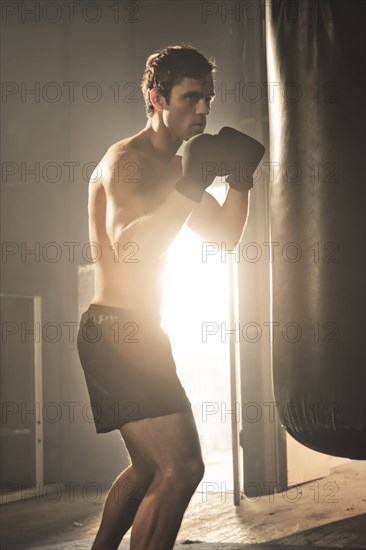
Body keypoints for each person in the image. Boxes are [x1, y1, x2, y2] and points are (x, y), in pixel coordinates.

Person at [77, 44, 265, 550]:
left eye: (208, 98)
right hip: (114, 331)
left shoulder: (177, 170)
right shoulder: (128, 162)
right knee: (181, 468)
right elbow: (131, 247)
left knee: (146, 470)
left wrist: (240, 182)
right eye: (191, 98)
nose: (204, 109)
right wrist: (190, 183)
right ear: (157, 98)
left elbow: (225, 236)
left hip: (143, 332)